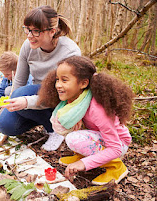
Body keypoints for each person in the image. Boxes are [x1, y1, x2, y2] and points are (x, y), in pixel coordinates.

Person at [37, 56, 134, 185]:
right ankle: (83, 154)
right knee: (72, 136)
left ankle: (116, 167)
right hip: (100, 137)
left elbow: (115, 148)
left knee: (75, 138)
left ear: (83, 83)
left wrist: (83, 164)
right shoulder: (76, 100)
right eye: (57, 80)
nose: (58, 85)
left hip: (119, 143)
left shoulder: (97, 109)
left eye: (64, 80)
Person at [0, 5, 81, 151]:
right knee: (6, 125)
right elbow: (19, 80)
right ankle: (41, 119)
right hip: (36, 95)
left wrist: (25, 101)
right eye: (27, 29)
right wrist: (11, 103)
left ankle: (55, 129)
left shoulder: (70, 52)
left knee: (20, 96)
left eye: (36, 31)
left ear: (52, 31)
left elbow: (66, 93)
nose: (29, 35)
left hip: (60, 100)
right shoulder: (27, 46)